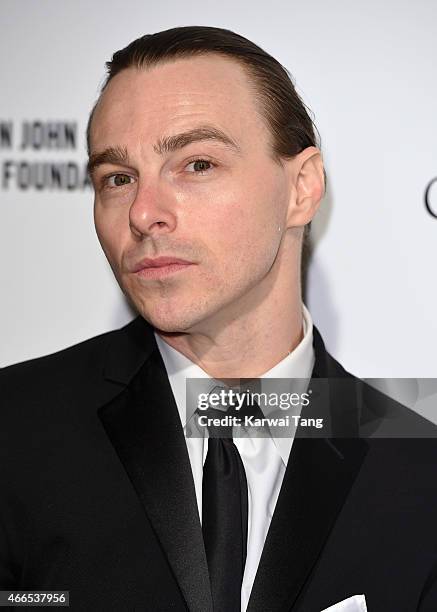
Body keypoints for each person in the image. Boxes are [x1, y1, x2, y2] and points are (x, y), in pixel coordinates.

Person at [1, 26, 437, 612]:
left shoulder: (418, 473)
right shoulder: (16, 429)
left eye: (197, 164)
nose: (144, 212)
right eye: (117, 178)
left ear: (301, 188)